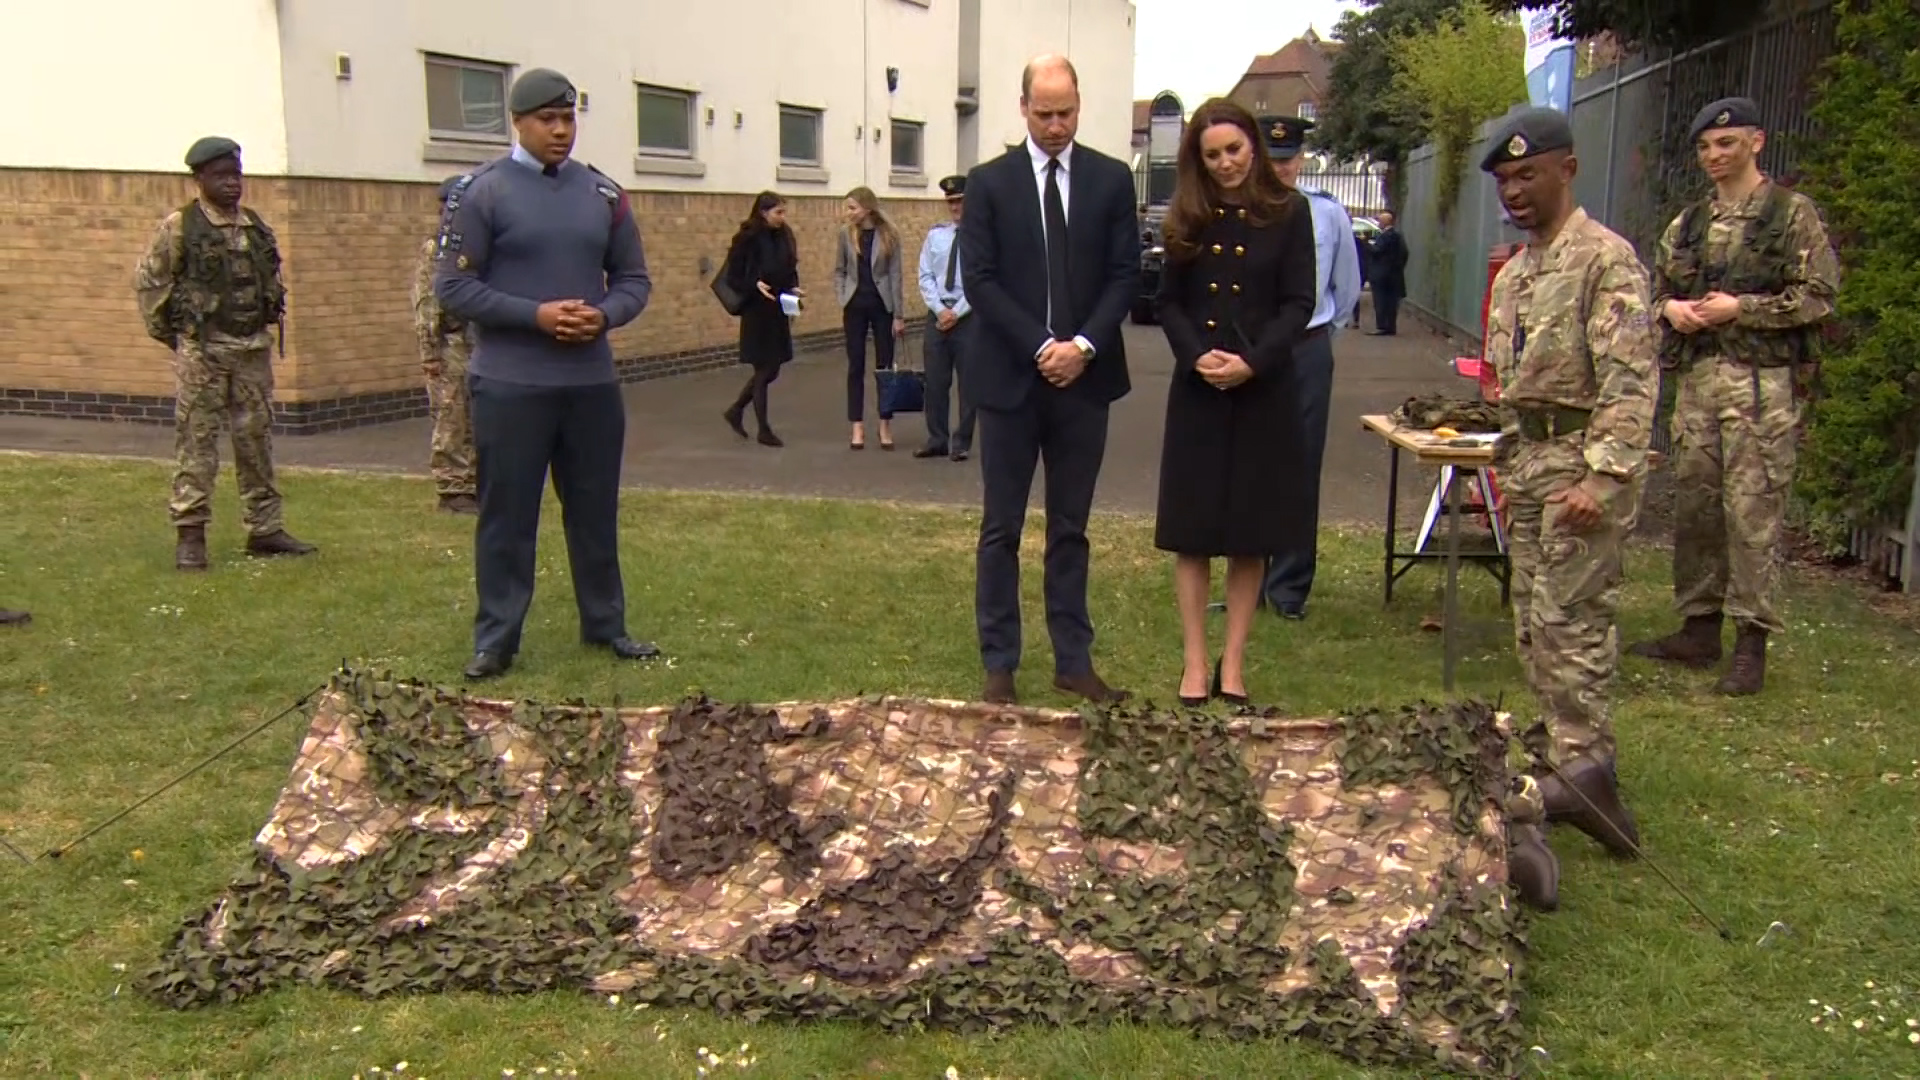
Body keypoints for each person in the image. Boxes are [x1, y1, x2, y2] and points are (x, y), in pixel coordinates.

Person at [1479, 107, 1656, 908]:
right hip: (1533, 466)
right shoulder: (1518, 273)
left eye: (1528, 174)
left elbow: (1630, 381)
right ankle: (1571, 777)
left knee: (1573, 627)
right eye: (1505, 180)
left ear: (1567, 169)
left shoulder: (1604, 262)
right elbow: (1509, 383)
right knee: (1534, 626)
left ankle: (1586, 772)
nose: (1515, 191)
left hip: (1582, 468)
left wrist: (1605, 477)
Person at [432, 68, 658, 681]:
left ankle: (606, 624)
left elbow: (634, 280)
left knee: (593, 509)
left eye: (568, 119)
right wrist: (535, 315)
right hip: (511, 383)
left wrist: (605, 316)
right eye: (547, 121)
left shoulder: (602, 195)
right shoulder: (480, 193)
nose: (562, 131)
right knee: (507, 514)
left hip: (590, 385)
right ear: (518, 122)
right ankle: (497, 638)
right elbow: (452, 285)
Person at [1629, 96, 1840, 696]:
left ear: (1756, 142)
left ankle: (1751, 643)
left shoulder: (1789, 215)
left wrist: (1741, 308)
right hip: (1699, 383)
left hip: (1759, 388)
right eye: (1704, 147)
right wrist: (1671, 309)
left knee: (1752, 511)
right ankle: (1698, 628)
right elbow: (1653, 292)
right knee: (1696, 506)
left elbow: (1819, 294)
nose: (1714, 156)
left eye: (1726, 144)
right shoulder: (1689, 224)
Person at [960, 54, 1141, 706]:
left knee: (1071, 527)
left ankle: (1074, 660)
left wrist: (1083, 345)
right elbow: (979, 280)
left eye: (1066, 113)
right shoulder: (989, 185)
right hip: (1010, 381)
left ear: (1079, 106)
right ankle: (1000, 663)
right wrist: (1041, 345)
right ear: (1023, 108)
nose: (1056, 125)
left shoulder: (1111, 181)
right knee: (1001, 528)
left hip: (1085, 385)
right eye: (1044, 114)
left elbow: (1126, 273)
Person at [1153, 100, 1318, 706]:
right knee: (1193, 533)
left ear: (1253, 145)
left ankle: (1234, 664)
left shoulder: (1289, 212)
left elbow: (1299, 302)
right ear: (1198, 158)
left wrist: (1253, 361)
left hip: (1262, 389)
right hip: (1198, 389)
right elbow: (1167, 302)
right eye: (1212, 154)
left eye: (1234, 149)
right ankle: (1195, 663)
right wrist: (1196, 356)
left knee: (1251, 533)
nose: (1225, 163)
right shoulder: (1187, 216)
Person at [133, 136, 318, 571]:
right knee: (197, 443)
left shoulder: (255, 225)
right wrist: (175, 338)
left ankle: (265, 528)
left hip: (252, 351)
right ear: (199, 179)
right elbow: (150, 281)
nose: (232, 184)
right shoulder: (180, 226)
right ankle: (191, 534)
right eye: (221, 176)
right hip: (205, 353)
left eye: (236, 174)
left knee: (256, 442)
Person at [1256, 113, 1362, 619]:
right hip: (1251, 350)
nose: (1280, 171)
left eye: (1288, 161)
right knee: (1250, 464)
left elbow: (1346, 290)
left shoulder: (1327, 214)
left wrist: (1314, 335)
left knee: (1299, 467)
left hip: (1306, 347)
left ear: (1300, 161)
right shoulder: (1238, 210)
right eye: (1271, 161)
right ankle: (1248, 579)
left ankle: (1290, 586)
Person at [412, 175, 478, 514]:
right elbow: (427, 303)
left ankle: (476, 481)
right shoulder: (437, 249)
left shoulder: (480, 243)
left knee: (477, 415)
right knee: (451, 415)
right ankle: (453, 487)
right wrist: (430, 354)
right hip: (449, 342)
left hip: (479, 340)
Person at [720, 191, 802, 448]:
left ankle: (735, 410)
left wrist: (794, 288)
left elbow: (790, 267)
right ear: (763, 212)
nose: (782, 217)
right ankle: (763, 429)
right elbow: (733, 276)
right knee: (763, 368)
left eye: (783, 212)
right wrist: (754, 284)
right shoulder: (747, 238)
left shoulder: (784, 235)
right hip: (757, 309)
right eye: (778, 212)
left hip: (778, 306)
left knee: (773, 368)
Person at [832, 186, 908, 450]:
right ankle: (857, 427)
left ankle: (885, 425)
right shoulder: (845, 235)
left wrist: (898, 315)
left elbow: (896, 275)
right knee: (855, 365)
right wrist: (842, 295)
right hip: (854, 306)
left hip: (882, 306)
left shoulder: (889, 234)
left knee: (884, 367)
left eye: (852, 207)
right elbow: (839, 269)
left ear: (867, 207)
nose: (848, 213)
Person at [915, 174, 978, 462]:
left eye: (960, 201)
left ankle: (961, 442)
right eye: (951, 202)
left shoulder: (983, 236)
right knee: (936, 382)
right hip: (938, 316)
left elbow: (982, 278)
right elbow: (925, 274)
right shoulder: (935, 235)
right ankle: (937, 439)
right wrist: (940, 310)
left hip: (969, 316)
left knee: (969, 383)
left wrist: (958, 311)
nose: (955, 207)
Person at [1367, 210, 1408, 335]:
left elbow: (1377, 251)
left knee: (1381, 301)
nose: (1378, 222)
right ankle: (1390, 326)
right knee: (1391, 302)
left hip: (1382, 276)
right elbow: (1405, 253)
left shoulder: (1385, 237)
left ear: (1385, 222)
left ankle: (1382, 326)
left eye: (1380, 220)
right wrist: (1398, 267)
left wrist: (1367, 245)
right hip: (1393, 275)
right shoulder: (1398, 236)